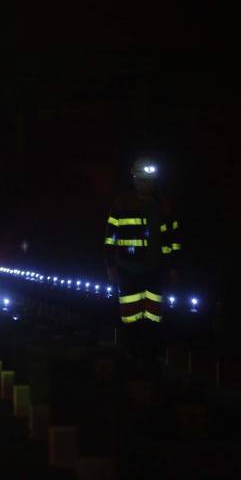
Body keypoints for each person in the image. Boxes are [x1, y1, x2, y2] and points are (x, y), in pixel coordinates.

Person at [105, 156, 181, 375]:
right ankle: (133, 359)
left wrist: (174, 267)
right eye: (141, 179)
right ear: (134, 179)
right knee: (130, 319)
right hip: (128, 271)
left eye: (149, 180)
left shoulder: (163, 205)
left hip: (156, 271)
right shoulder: (121, 203)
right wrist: (110, 266)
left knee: (154, 319)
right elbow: (110, 238)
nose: (145, 184)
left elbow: (173, 238)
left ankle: (152, 361)